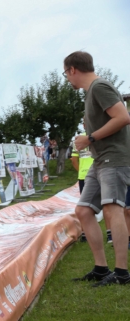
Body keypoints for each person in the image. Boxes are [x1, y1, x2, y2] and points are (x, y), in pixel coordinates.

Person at [64, 51, 130, 286]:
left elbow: (123, 117)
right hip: (100, 159)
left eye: (66, 73)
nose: (67, 79)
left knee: (113, 209)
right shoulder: (92, 91)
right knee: (83, 211)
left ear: (72, 69)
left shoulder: (100, 86)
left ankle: (122, 273)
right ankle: (101, 269)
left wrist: (89, 138)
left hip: (114, 158)